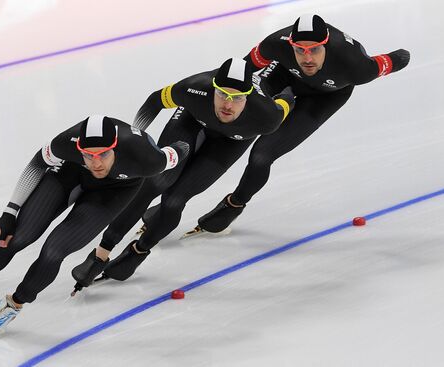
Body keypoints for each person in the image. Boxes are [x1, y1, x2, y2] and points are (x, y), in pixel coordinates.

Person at [0, 115, 190, 337]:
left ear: (115, 147)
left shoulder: (147, 158)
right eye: (88, 154)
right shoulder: (68, 142)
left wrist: (182, 146)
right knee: (15, 236)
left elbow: (179, 150)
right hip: (70, 175)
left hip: (115, 192)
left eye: (103, 155)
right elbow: (37, 164)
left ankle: (15, 303)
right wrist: (10, 211)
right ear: (79, 148)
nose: (95, 162)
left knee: (53, 251)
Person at [70, 57, 295, 285]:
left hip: (230, 141)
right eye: (222, 94)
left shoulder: (267, 116)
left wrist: (288, 93)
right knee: (154, 183)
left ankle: (138, 252)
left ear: (247, 97)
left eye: (236, 98)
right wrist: (133, 142)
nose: (227, 104)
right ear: (213, 87)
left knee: (175, 200)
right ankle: (102, 252)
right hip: (191, 122)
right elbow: (155, 100)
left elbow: (287, 101)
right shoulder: (195, 88)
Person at [189, 14, 411, 234]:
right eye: (300, 50)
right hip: (284, 78)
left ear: (326, 45)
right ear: (291, 44)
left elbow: (395, 59)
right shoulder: (275, 44)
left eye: (314, 49)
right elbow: (239, 72)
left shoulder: (356, 66)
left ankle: (233, 205)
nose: (307, 58)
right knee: (239, 115)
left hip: (325, 97)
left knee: (261, 156)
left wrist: (403, 55)